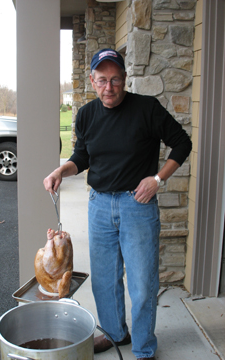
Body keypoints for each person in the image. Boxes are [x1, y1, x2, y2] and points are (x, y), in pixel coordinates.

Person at [44, 48, 192, 360]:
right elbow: (82, 158)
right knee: (104, 282)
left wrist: (158, 180)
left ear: (124, 79)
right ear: (92, 81)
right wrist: (61, 170)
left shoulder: (147, 109)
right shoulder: (86, 115)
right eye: (101, 81)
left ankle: (143, 348)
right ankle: (115, 334)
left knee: (141, 284)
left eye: (114, 80)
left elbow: (182, 142)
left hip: (137, 206)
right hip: (99, 206)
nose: (108, 88)